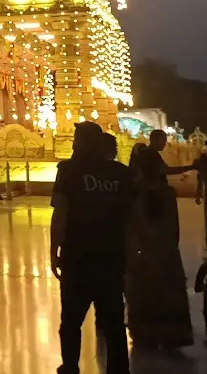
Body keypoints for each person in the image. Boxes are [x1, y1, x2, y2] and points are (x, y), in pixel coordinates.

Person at [52, 122, 134, 374]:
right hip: (112, 256)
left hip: (78, 256)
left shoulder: (68, 170)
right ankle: (118, 368)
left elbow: (61, 213)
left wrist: (53, 250)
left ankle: (70, 366)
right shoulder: (120, 173)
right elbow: (132, 215)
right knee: (114, 322)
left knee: (71, 321)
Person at [124, 143, 193, 349]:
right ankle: (171, 336)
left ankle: (146, 336)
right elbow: (174, 227)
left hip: (141, 252)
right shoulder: (168, 193)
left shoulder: (133, 194)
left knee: (144, 295)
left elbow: (130, 227)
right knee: (168, 295)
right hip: (167, 251)